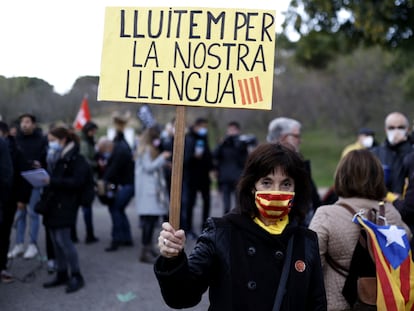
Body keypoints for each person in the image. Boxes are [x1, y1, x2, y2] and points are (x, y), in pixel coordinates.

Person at [154, 143, 327, 310]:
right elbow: (182, 296)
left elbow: (316, 304)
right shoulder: (222, 232)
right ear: (252, 186)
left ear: (296, 189)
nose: (276, 191)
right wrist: (173, 259)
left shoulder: (305, 241)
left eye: (286, 184)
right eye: (267, 182)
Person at [309, 149, 411, 310]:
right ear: (378, 177)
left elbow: (311, 270)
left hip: (336, 305)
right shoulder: (392, 214)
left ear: (341, 175)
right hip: (383, 304)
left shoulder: (326, 215)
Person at [41, 126, 87, 293]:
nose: (50, 144)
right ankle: (62, 273)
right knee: (55, 241)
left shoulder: (76, 158)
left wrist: (51, 180)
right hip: (53, 204)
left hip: (65, 205)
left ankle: (76, 275)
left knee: (64, 241)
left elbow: (77, 182)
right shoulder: (55, 156)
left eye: (53, 141)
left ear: (63, 140)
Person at [266, 117, 321, 225]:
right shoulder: (264, 165)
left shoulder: (298, 163)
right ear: (283, 137)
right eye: (296, 136)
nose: (300, 140)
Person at [8, 113, 48, 259]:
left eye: (27, 122)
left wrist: (40, 164)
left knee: (33, 213)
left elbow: (46, 158)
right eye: (22, 122)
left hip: (35, 180)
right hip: (19, 181)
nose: (24, 124)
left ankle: (32, 244)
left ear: (33, 124)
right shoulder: (16, 139)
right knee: (20, 214)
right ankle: (19, 244)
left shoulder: (41, 140)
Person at [134, 126, 171, 263]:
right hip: (148, 192)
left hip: (152, 192)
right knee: (148, 223)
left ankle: (148, 248)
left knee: (151, 222)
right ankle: (144, 251)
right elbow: (149, 167)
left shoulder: (148, 149)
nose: (158, 141)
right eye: (157, 138)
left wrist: (164, 163)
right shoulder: (146, 150)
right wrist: (162, 158)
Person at [103, 111, 135, 252]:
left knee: (115, 209)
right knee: (119, 209)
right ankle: (126, 238)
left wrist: (104, 180)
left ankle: (117, 239)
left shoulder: (120, 146)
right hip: (127, 183)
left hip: (125, 184)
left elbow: (114, 167)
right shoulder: (123, 144)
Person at [181, 117, 214, 238]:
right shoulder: (189, 139)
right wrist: (194, 157)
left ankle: (205, 226)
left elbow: (208, 155)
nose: (204, 130)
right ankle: (188, 228)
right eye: (203, 127)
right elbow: (185, 160)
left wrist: (212, 167)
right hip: (192, 177)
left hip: (204, 177)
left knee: (207, 201)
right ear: (196, 126)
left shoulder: (203, 139)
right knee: (190, 203)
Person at [371, 111, 413, 199]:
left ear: (407, 129)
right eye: (391, 128)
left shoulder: (411, 153)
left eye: (400, 127)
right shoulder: (375, 153)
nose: (396, 131)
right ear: (385, 130)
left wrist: (403, 147)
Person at [213, 121, 249, 214]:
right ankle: (226, 222)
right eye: (230, 130)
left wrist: (239, 144)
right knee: (226, 205)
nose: (231, 132)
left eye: (234, 130)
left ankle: (237, 223)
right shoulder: (223, 144)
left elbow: (245, 160)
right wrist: (221, 144)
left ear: (238, 131)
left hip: (238, 177)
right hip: (225, 177)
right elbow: (214, 155)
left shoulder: (241, 144)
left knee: (238, 204)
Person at [76, 121, 99, 244]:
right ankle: (89, 234)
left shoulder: (87, 141)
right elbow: (85, 160)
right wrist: (96, 164)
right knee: (86, 208)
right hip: (86, 180)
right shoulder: (85, 143)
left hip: (87, 178)